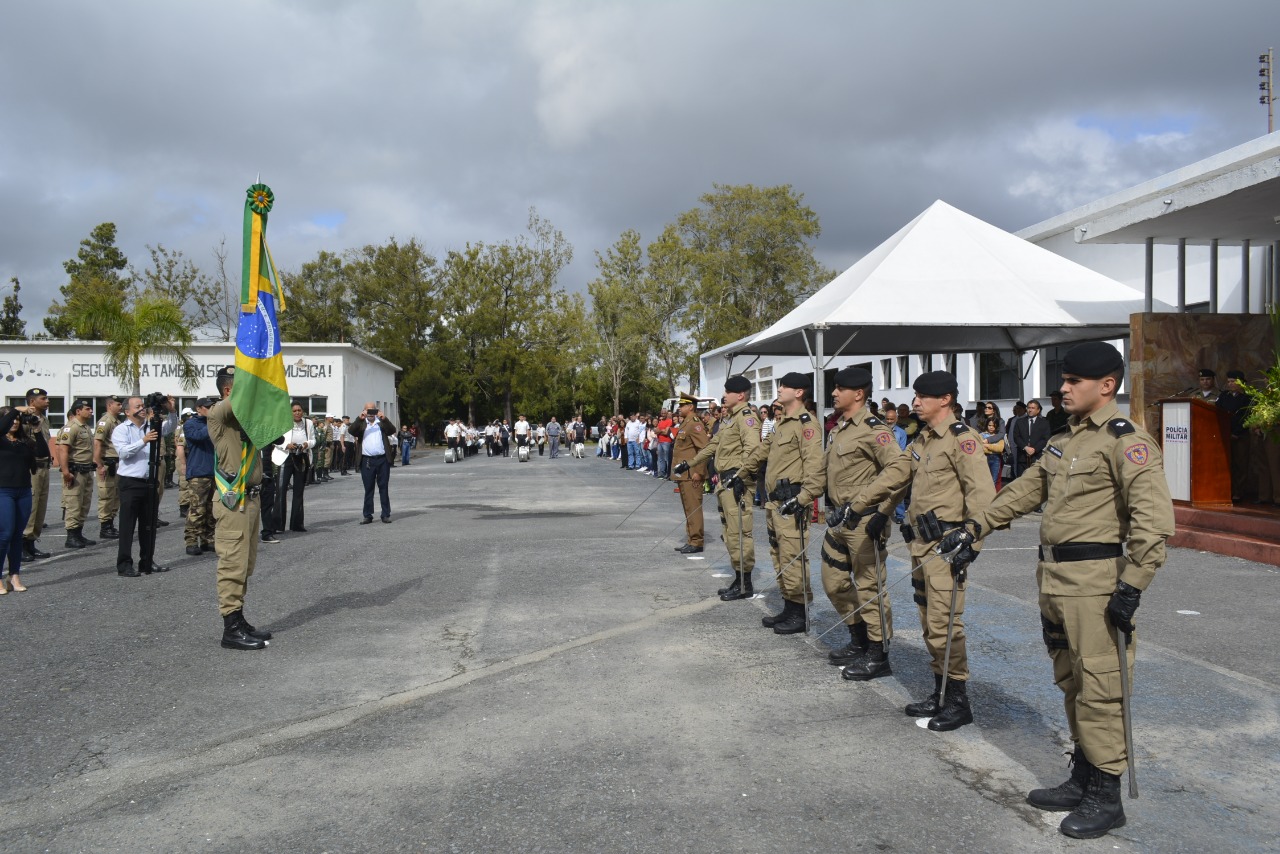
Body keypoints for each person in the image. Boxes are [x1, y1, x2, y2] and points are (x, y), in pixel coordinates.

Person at [946, 341, 1174, 839]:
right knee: (1071, 681)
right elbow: (1030, 489)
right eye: (1063, 381)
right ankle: (1084, 774)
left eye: (1073, 381)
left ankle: (1106, 794)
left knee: (1101, 687)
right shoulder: (1066, 438)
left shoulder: (1125, 440)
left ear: (1106, 385)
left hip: (1097, 586)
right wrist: (976, 525)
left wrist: (1132, 586)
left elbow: (1152, 523)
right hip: (1054, 580)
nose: (1063, 388)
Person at [846, 371, 995, 731]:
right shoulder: (923, 441)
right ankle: (941, 691)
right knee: (929, 623)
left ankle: (958, 701)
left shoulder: (963, 440)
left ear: (944, 399)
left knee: (945, 626)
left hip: (946, 548)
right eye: (915, 395)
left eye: (923, 396)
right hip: (920, 545)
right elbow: (894, 475)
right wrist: (860, 505)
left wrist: (971, 544)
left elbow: (983, 498)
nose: (915, 402)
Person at [810, 366, 902, 677]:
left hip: (864, 521)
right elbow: (825, 471)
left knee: (870, 588)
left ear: (858, 394)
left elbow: (898, 471)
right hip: (838, 519)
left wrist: (884, 512)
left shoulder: (874, 429)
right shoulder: (841, 428)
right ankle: (859, 638)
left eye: (839, 388)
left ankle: (879, 654)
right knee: (833, 582)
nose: (833, 393)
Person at [729, 372, 824, 635]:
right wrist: (742, 473)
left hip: (791, 502)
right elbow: (762, 450)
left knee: (794, 557)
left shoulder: (807, 424)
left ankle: (800, 612)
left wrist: (804, 498)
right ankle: (789, 606)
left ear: (799, 392)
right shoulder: (782, 422)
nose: (780, 389)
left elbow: (815, 467)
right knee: (779, 556)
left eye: (786, 386)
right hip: (774, 503)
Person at [679, 376, 762, 600]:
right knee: (729, 533)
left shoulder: (746, 418)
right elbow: (713, 444)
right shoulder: (729, 419)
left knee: (739, 532)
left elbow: (753, 450)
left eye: (728, 392)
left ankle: (745, 584)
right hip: (726, 481)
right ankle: (739, 578)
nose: (724, 396)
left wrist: (741, 476)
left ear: (741, 395)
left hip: (737, 482)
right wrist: (691, 463)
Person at [207, 367, 272, 650]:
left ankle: (239, 617)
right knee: (232, 561)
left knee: (246, 563)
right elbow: (240, 402)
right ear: (228, 392)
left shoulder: (247, 421)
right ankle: (230, 628)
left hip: (252, 499)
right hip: (233, 500)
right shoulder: (217, 415)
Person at [111, 395, 178, 577]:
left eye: (143, 405)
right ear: (127, 411)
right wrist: (144, 441)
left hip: (149, 482)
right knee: (127, 525)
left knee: (148, 525)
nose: (142, 408)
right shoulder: (121, 430)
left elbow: (170, 427)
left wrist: (171, 410)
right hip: (130, 482)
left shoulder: (151, 426)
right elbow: (124, 453)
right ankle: (124, 564)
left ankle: (147, 561)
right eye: (137, 406)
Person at [0, 405, 37, 594]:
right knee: (4, 534)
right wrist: (15, 409)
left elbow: (40, 453)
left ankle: (14, 575)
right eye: (11, 418)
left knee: (17, 536)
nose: (15, 421)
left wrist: (36, 430)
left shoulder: (23, 441)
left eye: (17, 419)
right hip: (3, 491)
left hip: (23, 490)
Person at [669, 393, 710, 554]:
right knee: (688, 507)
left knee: (693, 508)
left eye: (682, 405)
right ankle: (691, 539)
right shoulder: (686, 423)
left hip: (692, 474)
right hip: (684, 474)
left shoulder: (694, 424)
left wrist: (699, 472)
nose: (679, 408)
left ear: (690, 406)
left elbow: (704, 449)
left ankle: (697, 541)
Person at [57, 399, 98, 549]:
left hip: (86, 470)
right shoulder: (71, 427)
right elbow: (63, 450)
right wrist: (66, 472)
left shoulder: (85, 427)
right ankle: (71, 536)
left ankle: (78, 533)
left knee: (84, 504)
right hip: (76, 471)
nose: (91, 411)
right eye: (87, 409)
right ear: (78, 411)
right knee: (73, 503)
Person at [21, 388, 56, 562]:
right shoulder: (24, 419)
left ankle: (32, 542)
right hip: (32, 468)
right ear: (32, 402)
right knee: (32, 505)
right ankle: (22, 544)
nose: (48, 401)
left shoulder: (44, 419)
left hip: (44, 467)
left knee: (41, 505)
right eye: (44, 398)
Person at [180, 397, 216, 557]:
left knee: (211, 509)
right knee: (197, 509)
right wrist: (212, 422)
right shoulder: (190, 424)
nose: (211, 410)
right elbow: (199, 437)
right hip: (198, 473)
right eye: (208, 407)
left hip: (214, 472)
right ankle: (192, 541)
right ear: (199, 408)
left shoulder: (213, 423)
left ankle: (208, 539)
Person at [350, 402, 396, 523]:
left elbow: (392, 430)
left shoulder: (380, 423)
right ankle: (368, 515)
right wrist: (359, 419)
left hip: (382, 460)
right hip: (367, 460)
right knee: (368, 488)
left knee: (383, 487)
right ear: (364, 411)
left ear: (377, 411)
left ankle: (385, 514)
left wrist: (384, 418)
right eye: (368, 410)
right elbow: (352, 431)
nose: (370, 413)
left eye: (372, 411)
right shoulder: (361, 424)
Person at [275, 403, 314, 533]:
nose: (297, 413)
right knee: (281, 490)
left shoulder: (308, 423)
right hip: (286, 457)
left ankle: (297, 524)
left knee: (299, 491)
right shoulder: (282, 422)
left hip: (301, 457)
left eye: (299, 410)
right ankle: (278, 525)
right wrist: (286, 445)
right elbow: (275, 439)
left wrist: (306, 444)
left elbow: (313, 440)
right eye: (294, 411)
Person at [1216, 370, 1253, 501]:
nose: (1230, 384)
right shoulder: (1224, 396)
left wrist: (1236, 433)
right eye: (1229, 382)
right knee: (1225, 464)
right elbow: (1217, 412)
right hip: (1224, 435)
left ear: (1241, 383)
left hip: (1240, 436)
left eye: (1233, 382)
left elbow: (1247, 417)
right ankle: (1226, 490)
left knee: (1240, 464)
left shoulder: (1247, 397)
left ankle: (1238, 492)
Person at [93, 395, 123, 541]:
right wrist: (99, 465)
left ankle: (110, 524)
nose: (121, 406)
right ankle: (104, 527)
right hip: (107, 462)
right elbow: (97, 444)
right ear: (110, 405)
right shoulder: (105, 422)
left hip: (116, 463)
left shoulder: (116, 421)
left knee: (115, 496)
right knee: (106, 496)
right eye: (118, 404)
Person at [980, 416, 1006, 485]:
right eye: (989, 425)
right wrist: (993, 447)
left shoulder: (999, 436)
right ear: (986, 425)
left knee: (994, 480)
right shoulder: (981, 435)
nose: (991, 427)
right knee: (984, 480)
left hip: (996, 459)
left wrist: (988, 445)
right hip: (984, 458)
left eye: (993, 426)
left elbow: (1000, 448)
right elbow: (981, 448)